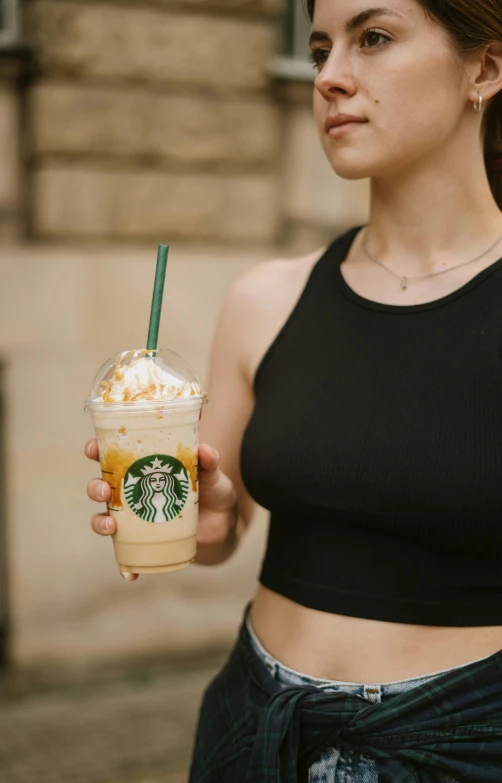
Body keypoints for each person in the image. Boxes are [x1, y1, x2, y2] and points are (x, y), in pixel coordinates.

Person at [85, 0, 502, 779]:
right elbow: (220, 531)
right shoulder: (265, 299)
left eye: (372, 39)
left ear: (485, 68)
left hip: (464, 742)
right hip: (257, 728)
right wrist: (205, 521)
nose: (331, 78)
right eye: (318, 51)